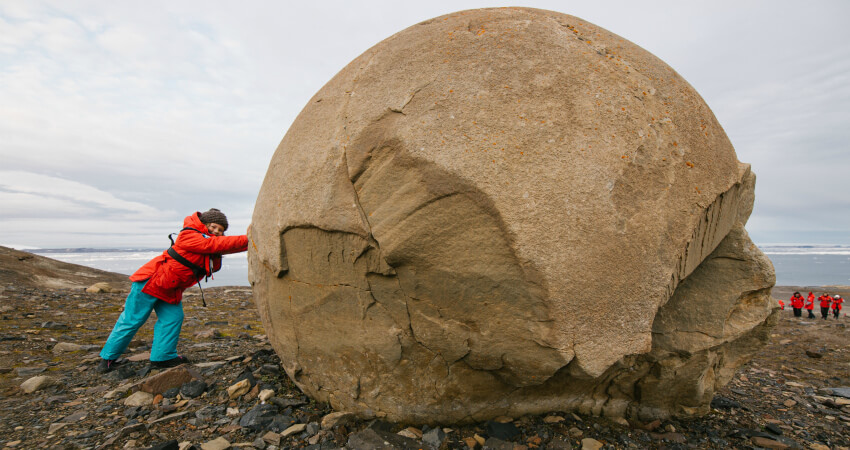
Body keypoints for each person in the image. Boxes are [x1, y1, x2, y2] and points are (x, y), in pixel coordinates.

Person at [96, 209, 249, 373]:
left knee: (173, 318)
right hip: (150, 281)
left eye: (220, 230)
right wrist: (250, 238)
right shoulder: (189, 234)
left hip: (170, 288)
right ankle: (108, 359)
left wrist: (250, 242)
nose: (217, 232)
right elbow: (212, 244)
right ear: (204, 224)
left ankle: (163, 357)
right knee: (132, 319)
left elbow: (222, 247)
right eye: (213, 227)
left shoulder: (212, 246)